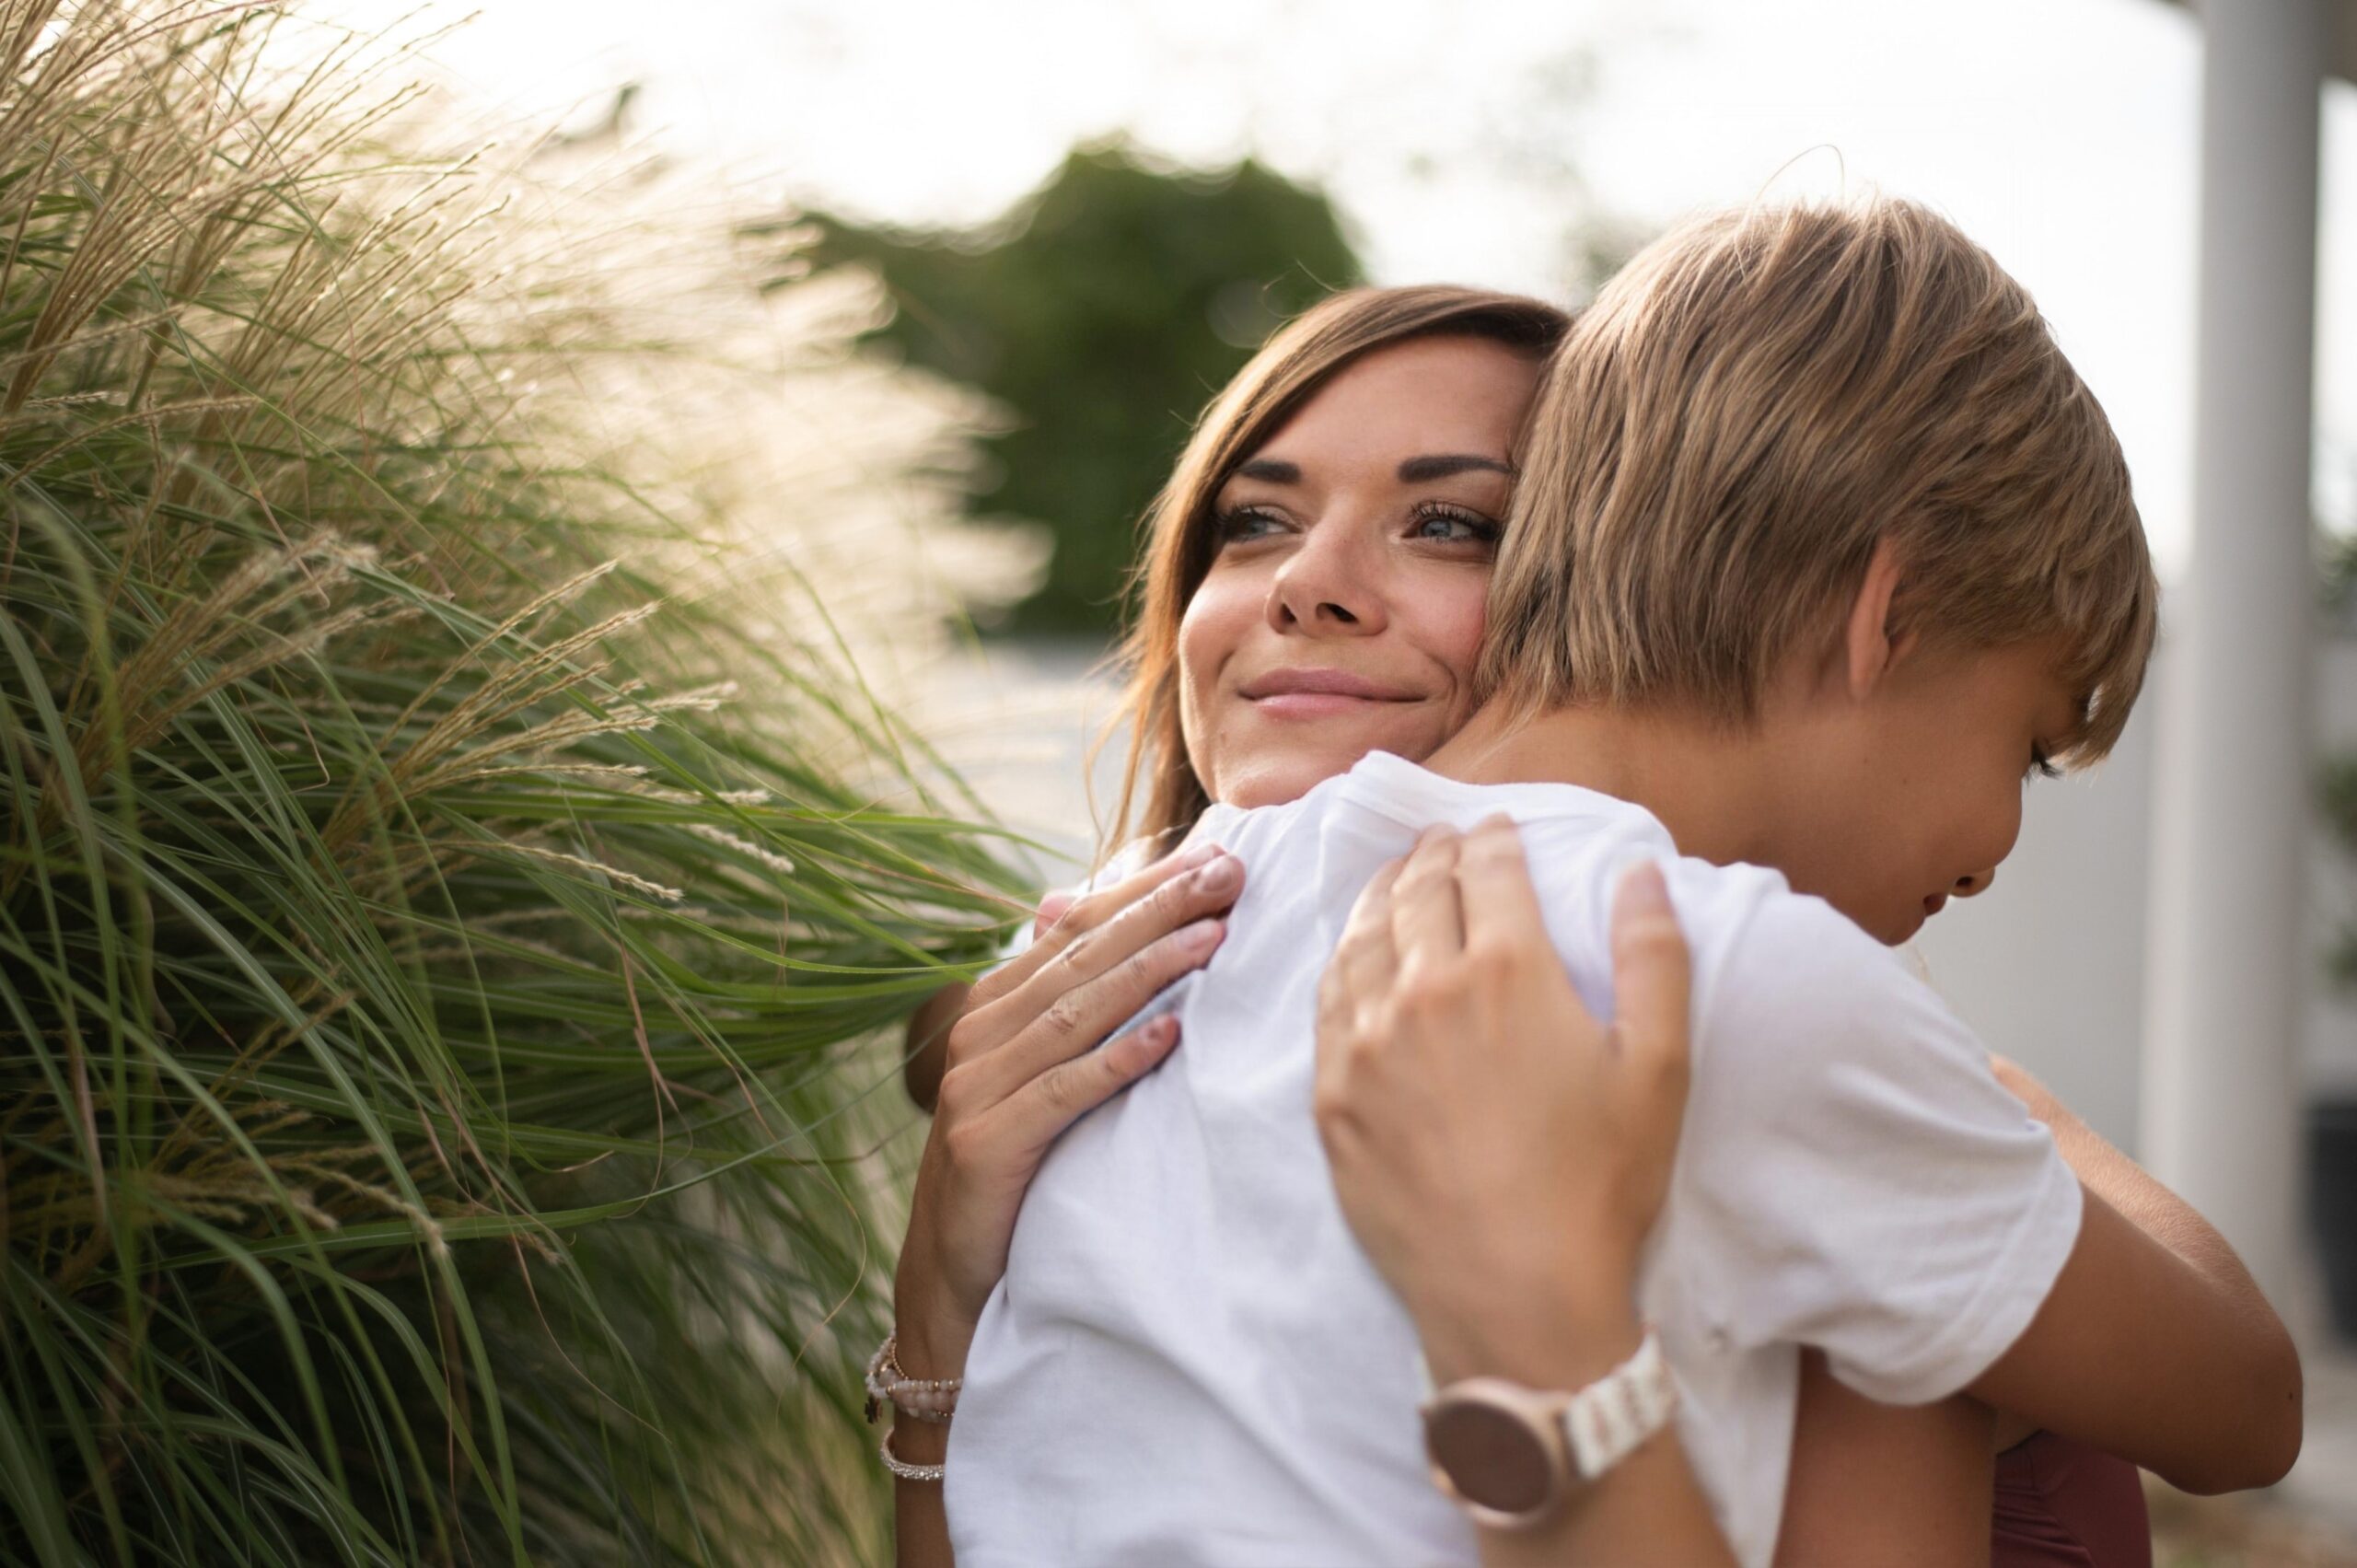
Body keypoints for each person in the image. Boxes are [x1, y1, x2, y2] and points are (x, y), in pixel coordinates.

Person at [884, 231, 2299, 1564]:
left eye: (1445, 522)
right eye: (2028, 751)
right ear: (1889, 614)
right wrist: (1972, 1080)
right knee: (1908, 1359)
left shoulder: (1143, 946)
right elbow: (2244, 1407)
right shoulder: (1735, 979)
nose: (1995, 846)